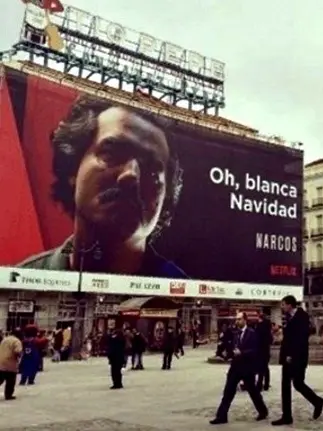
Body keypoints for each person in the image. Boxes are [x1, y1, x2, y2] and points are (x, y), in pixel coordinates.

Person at [17, 96, 187, 279]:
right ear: (73, 166)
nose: (131, 175)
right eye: (111, 154)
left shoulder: (188, 293)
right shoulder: (17, 284)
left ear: (165, 197)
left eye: (152, 171)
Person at [272, 295, 323, 426]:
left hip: (296, 357)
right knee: (287, 385)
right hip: (288, 357)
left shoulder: (302, 317)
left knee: (297, 383)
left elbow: (300, 339)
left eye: (283, 304)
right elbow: (289, 336)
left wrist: (291, 355)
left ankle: (317, 402)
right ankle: (287, 416)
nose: (282, 307)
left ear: (290, 305)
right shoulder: (289, 317)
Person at [209, 312, 268, 425]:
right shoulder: (235, 333)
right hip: (235, 367)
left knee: (253, 391)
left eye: (239, 319)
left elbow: (255, 350)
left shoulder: (252, 333)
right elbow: (232, 347)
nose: (237, 321)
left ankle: (263, 411)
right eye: (236, 319)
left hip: (247, 368)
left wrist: (242, 353)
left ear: (245, 320)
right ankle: (221, 416)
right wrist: (227, 354)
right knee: (228, 391)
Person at [0, 329, 23, 400]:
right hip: (10, 363)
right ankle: (8, 395)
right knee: (11, 381)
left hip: (1, 362)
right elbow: (18, 351)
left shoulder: (4, 339)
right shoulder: (17, 341)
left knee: (0, 379)